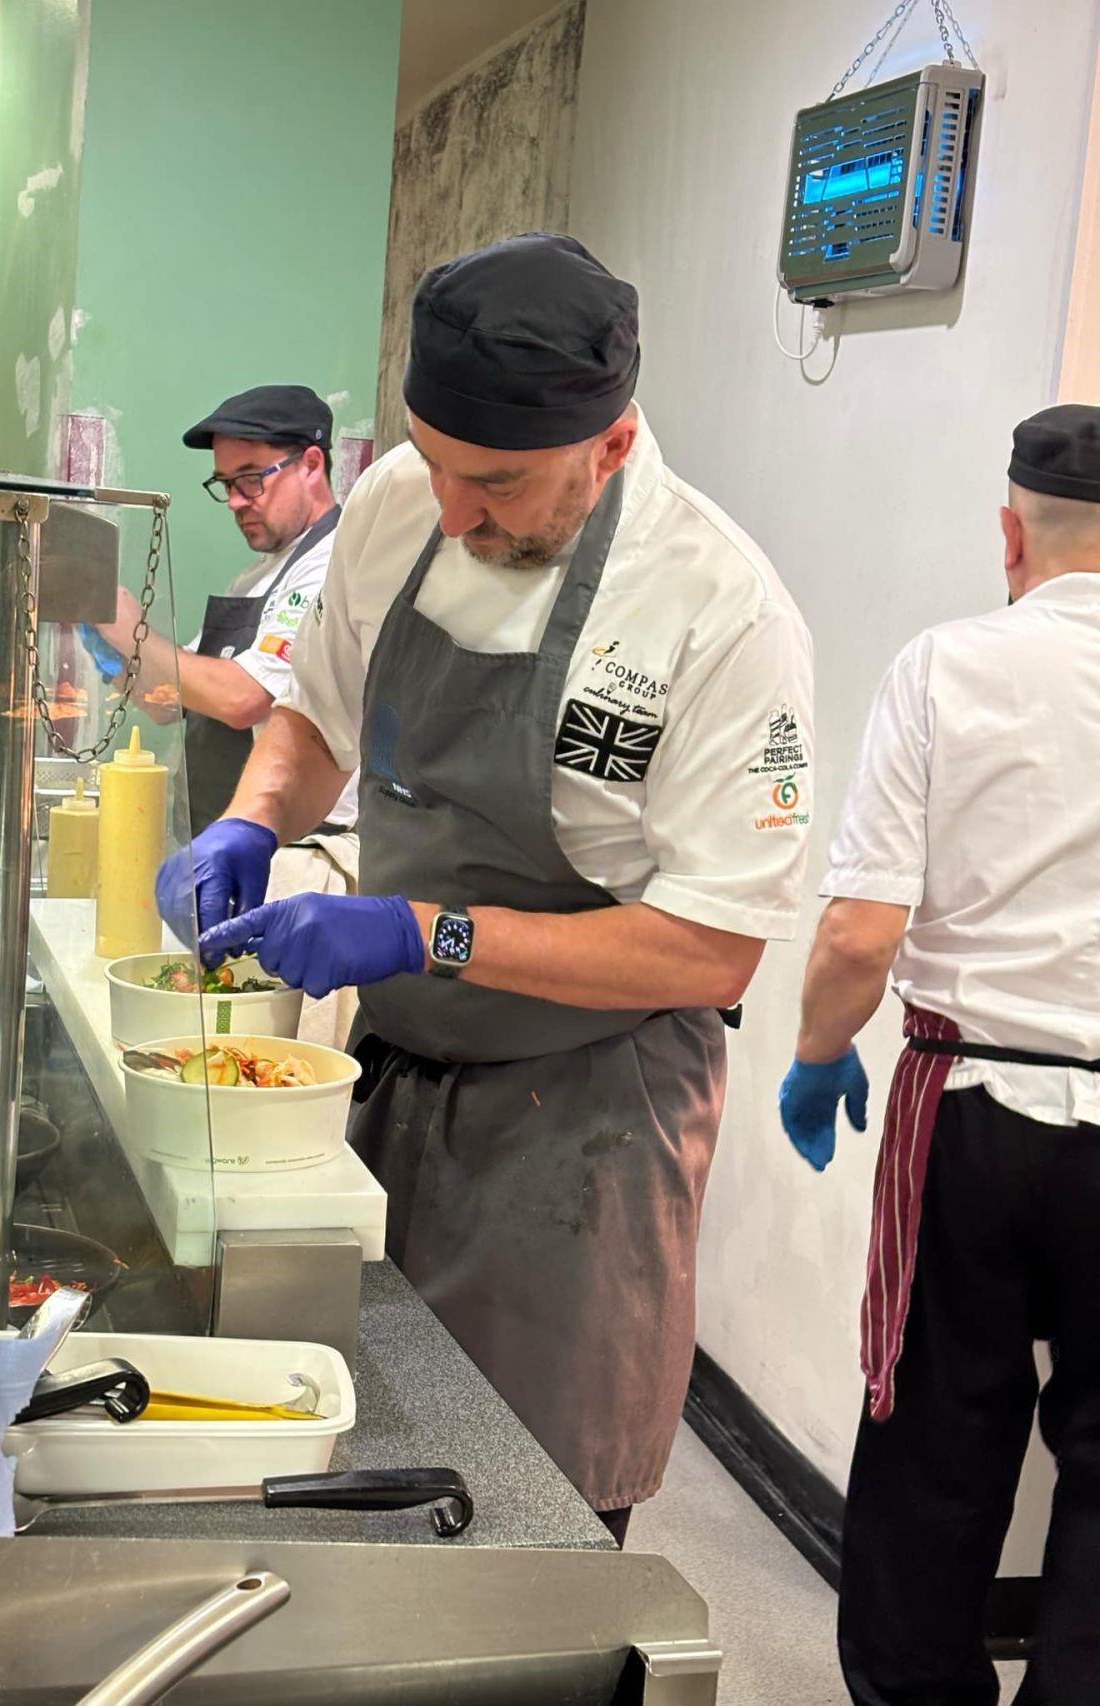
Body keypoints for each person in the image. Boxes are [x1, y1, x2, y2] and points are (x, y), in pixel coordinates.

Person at [161, 233, 815, 1541]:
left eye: (500, 483)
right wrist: (249, 818)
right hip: (396, 1072)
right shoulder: (410, 498)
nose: (454, 510)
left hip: (587, 1115)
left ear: (611, 444)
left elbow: (709, 954)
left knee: (529, 1518)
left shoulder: (719, 612)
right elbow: (315, 716)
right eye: (435, 462)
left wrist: (423, 929)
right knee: (358, 1456)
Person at [779, 405, 1100, 1705]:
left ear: (1010, 534)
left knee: (935, 1442)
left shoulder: (946, 665)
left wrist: (818, 1051)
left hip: (971, 1107)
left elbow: (862, 928)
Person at [87, 384, 357, 839]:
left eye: (251, 478)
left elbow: (242, 700)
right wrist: (106, 645)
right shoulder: (253, 577)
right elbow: (171, 701)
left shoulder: (332, 566)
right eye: (226, 483)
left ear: (310, 465)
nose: (234, 500)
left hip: (297, 841)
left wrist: (131, 629)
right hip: (223, 830)